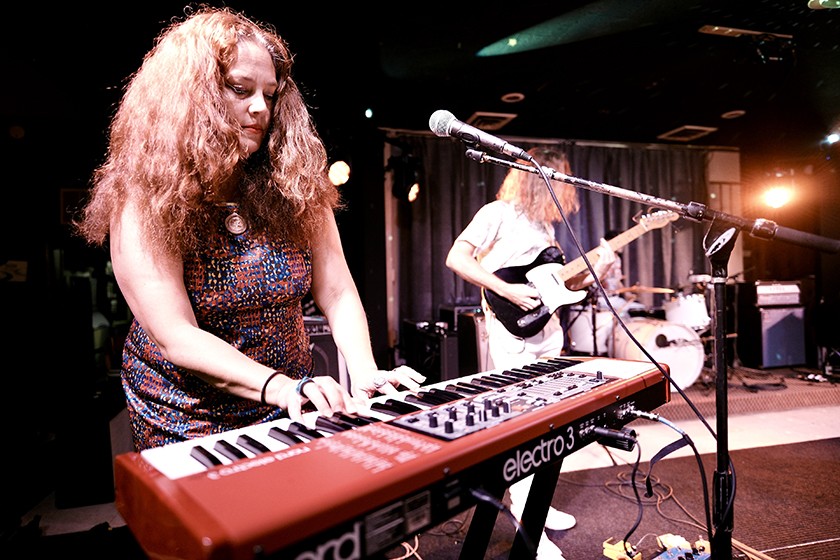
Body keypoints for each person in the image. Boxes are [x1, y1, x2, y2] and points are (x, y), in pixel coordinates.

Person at [74, 6, 425, 452]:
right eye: (240, 89)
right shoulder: (145, 198)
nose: (260, 107)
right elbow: (174, 333)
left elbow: (336, 289)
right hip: (187, 418)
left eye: (270, 94)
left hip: (290, 402)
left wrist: (365, 369)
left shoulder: (293, 183)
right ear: (189, 97)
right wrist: (280, 387)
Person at [445, 146, 617, 560]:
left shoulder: (546, 229)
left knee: (548, 426)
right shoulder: (498, 212)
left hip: (548, 333)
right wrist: (505, 289)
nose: (562, 186)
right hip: (512, 334)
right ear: (533, 177)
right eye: (556, 177)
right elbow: (456, 257)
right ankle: (527, 525)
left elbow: (558, 291)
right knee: (522, 426)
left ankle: (538, 505)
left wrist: (598, 272)